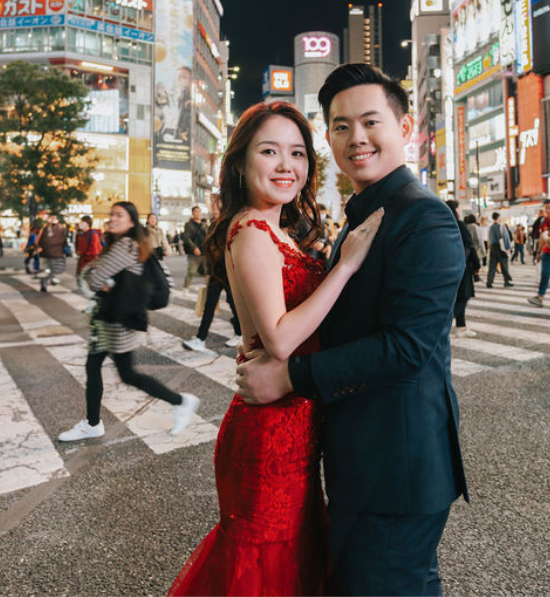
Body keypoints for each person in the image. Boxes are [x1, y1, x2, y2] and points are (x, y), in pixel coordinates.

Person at [232, 65, 467, 595]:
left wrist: (292, 375)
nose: (356, 138)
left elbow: (407, 348)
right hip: (367, 459)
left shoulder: (422, 217)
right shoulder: (368, 213)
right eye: (340, 127)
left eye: (370, 122)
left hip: (395, 464)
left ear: (405, 128)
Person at [168, 101, 384, 596]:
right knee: (266, 563)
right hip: (267, 429)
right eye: (270, 151)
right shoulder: (250, 231)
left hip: (295, 422)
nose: (287, 166)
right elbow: (281, 338)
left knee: (292, 557)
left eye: (297, 153)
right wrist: (345, 267)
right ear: (241, 162)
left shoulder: (278, 232)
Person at [58, 201, 199, 442]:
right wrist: (103, 279)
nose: (113, 218)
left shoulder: (125, 246)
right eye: (112, 214)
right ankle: (92, 423)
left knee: (127, 374)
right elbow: (96, 276)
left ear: (131, 222)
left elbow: (95, 278)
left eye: (119, 215)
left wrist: (103, 280)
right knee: (93, 367)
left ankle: (181, 401)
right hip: (108, 317)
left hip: (118, 321)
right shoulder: (120, 244)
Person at [183, 194, 242, 352]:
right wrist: (209, 272)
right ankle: (201, 338)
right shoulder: (212, 224)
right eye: (212, 205)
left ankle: (238, 333)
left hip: (227, 271)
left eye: (216, 205)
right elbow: (210, 250)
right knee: (211, 304)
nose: (212, 207)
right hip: (216, 271)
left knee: (232, 303)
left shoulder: (228, 223)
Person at [449, 203, 480, 339]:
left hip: (449, 265)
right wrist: (476, 264)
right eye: (457, 208)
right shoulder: (459, 224)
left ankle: (461, 326)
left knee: (458, 295)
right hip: (462, 266)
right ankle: (444, 323)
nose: (459, 210)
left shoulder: (445, 223)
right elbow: (469, 245)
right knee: (464, 295)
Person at [37, 215, 68, 285]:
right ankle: (52, 278)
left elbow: (40, 240)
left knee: (48, 267)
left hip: (46, 253)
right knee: (54, 267)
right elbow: (64, 241)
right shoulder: (61, 228)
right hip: (57, 253)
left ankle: (49, 278)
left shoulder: (45, 228)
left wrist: (39, 247)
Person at [182, 205, 208, 291]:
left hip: (205, 252)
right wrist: (194, 248)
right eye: (196, 212)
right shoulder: (189, 225)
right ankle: (185, 288)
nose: (198, 213)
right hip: (194, 252)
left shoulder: (204, 225)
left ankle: (209, 289)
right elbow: (186, 238)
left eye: (200, 212)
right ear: (193, 214)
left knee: (208, 272)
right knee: (191, 271)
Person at [485, 211, 514, 287]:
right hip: (501, 248)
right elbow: (506, 237)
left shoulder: (490, 227)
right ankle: (506, 282)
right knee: (504, 265)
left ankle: (489, 282)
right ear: (498, 217)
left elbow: (489, 238)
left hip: (493, 247)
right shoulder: (502, 226)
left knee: (492, 266)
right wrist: (508, 248)